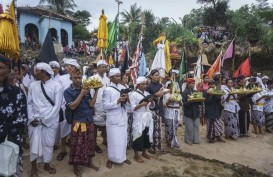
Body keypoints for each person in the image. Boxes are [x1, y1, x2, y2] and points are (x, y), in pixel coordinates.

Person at [27, 63, 63, 177]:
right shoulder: (33, 85)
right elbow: (29, 103)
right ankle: (33, 168)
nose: (35, 72)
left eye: (37, 71)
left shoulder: (57, 86)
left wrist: (46, 120)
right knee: (34, 143)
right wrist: (31, 118)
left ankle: (47, 164)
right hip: (34, 120)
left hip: (50, 121)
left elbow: (57, 106)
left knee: (48, 144)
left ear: (44, 72)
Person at [64, 68, 99, 177]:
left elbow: (91, 104)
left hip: (89, 120)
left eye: (80, 78)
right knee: (77, 144)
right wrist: (81, 94)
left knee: (90, 142)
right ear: (71, 78)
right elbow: (73, 106)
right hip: (78, 122)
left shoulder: (86, 89)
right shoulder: (68, 91)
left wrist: (96, 91)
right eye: (75, 78)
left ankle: (89, 162)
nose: (78, 80)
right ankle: (76, 167)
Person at [0, 54, 28, 177]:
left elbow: (23, 118)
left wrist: (5, 128)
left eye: (0, 67)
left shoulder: (16, 92)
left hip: (10, 142)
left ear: (8, 70)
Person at [102, 68, 131, 169]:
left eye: (119, 76)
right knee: (113, 140)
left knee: (123, 139)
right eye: (116, 76)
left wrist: (126, 99)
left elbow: (127, 103)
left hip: (122, 117)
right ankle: (111, 158)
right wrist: (117, 101)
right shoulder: (107, 90)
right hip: (113, 119)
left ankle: (123, 157)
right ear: (110, 77)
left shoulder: (123, 87)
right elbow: (105, 106)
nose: (119, 78)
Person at [57, 58, 80, 161]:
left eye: (68, 66)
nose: (65, 67)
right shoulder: (62, 78)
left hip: (79, 108)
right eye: (65, 66)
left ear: (74, 67)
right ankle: (63, 150)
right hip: (66, 108)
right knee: (64, 129)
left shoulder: (81, 77)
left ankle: (75, 149)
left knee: (77, 129)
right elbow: (59, 94)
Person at [129, 76, 154, 163]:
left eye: (145, 84)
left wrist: (151, 102)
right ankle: (136, 155)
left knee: (147, 134)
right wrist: (142, 104)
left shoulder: (147, 93)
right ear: (138, 85)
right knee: (138, 135)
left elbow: (151, 106)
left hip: (147, 116)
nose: (144, 85)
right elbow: (132, 108)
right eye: (142, 84)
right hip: (139, 117)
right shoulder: (133, 94)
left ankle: (144, 152)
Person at [89, 60, 110, 153]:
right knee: (94, 127)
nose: (104, 68)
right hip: (96, 106)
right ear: (97, 68)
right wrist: (92, 107)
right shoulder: (92, 79)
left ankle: (105, 141)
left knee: (105, 126)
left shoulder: (108, 79)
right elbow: (90, 94)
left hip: (105, 106)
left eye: (105, 67)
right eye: (102, 66)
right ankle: (94, 145)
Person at [146, 69, 166, 152]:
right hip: (152, 109)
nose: (157, 76)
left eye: (158, 75)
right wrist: (155, 95)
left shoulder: (160, 85)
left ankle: (158, 146)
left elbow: (162, 97)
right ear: (151, 76)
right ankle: (151, 146)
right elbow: (148, 97)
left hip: (159, 108)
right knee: (152, 128)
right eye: (156, 75)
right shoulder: (148, 87)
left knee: (158, 128)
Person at [182, 78, 201, 145]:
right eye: (192, 83)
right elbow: (184, 103)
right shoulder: (185, 92)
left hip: (196, 111)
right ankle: (188, 140)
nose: (193, 84)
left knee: (196, 126)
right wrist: (191, 100)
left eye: (194, 83)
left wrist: (199, 100)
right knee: (189, 127)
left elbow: (199, 103)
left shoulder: (195, 92)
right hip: (188, 112)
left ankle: (196, 140)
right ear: (188, 84)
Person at [163, 82, 181, 147]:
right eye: (172, 87)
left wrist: (178, 101)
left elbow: (181, 104)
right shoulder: (166, 94)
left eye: (174, 87)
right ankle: (168, 140)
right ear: (169, 88)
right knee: (169, 126)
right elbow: (164, 104)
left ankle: (174, 140)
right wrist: (169, 100)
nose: (173, 88)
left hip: (176, 112)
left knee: (175, 127)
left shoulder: (178, 95)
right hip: (169, 111)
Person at [121, 73, 133, 148]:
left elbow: (129, 101)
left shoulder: (127, 86)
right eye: (124, 78)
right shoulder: (119, 87)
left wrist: (128, 96)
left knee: (129, 126)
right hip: (123, 109)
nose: (126, 80)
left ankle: (129, 142)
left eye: (127, 78)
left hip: (128, 108)